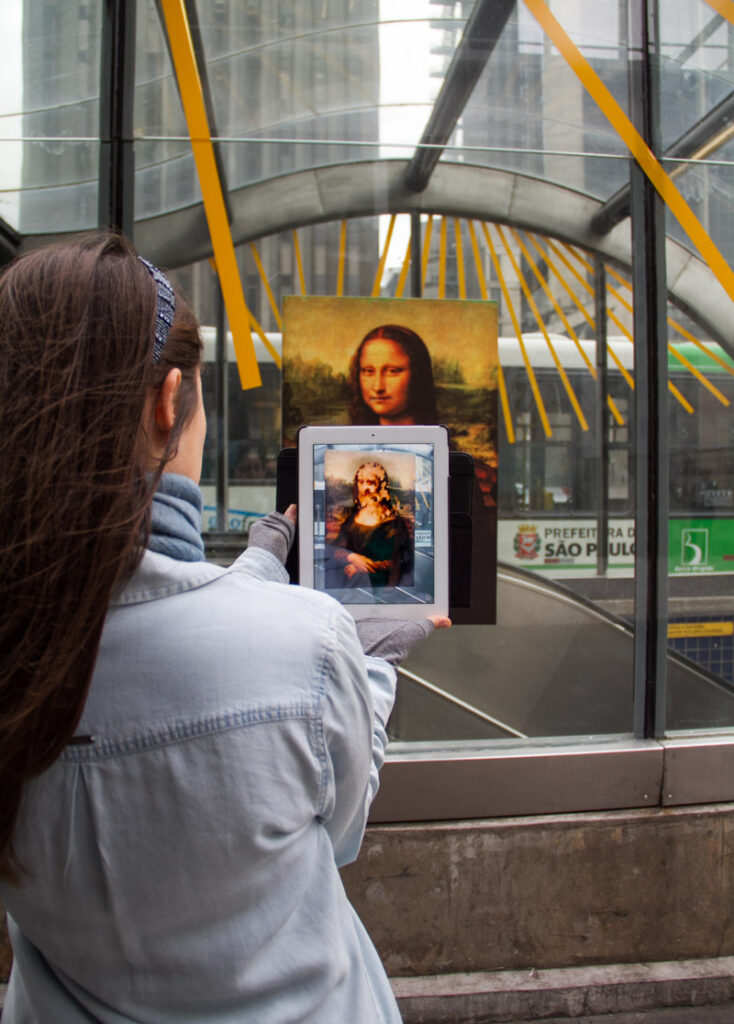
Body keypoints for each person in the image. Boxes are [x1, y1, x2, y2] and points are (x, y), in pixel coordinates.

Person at [0, 234, 449, 1024]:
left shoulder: (18, 646)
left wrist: (255, 575)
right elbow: (340, 831)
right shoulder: (308, 643)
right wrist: (369, 662)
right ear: (167, 401)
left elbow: (136, 624)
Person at [328, 462, 413, 589]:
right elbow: (336, 550)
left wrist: (362, 567)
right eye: (361, 482)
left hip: (382, 587)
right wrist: (351, 557)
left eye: (371, 482)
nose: (365, 488)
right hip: (351, 587)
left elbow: (396, 563)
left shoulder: (393, 523)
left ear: (381, 486)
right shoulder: (351, 519)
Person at [348, 324, 438, 426]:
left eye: (392, 371)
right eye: (369, 371)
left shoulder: (440, 436)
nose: (378, 387)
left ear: (417, 373)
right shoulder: (353, 435)